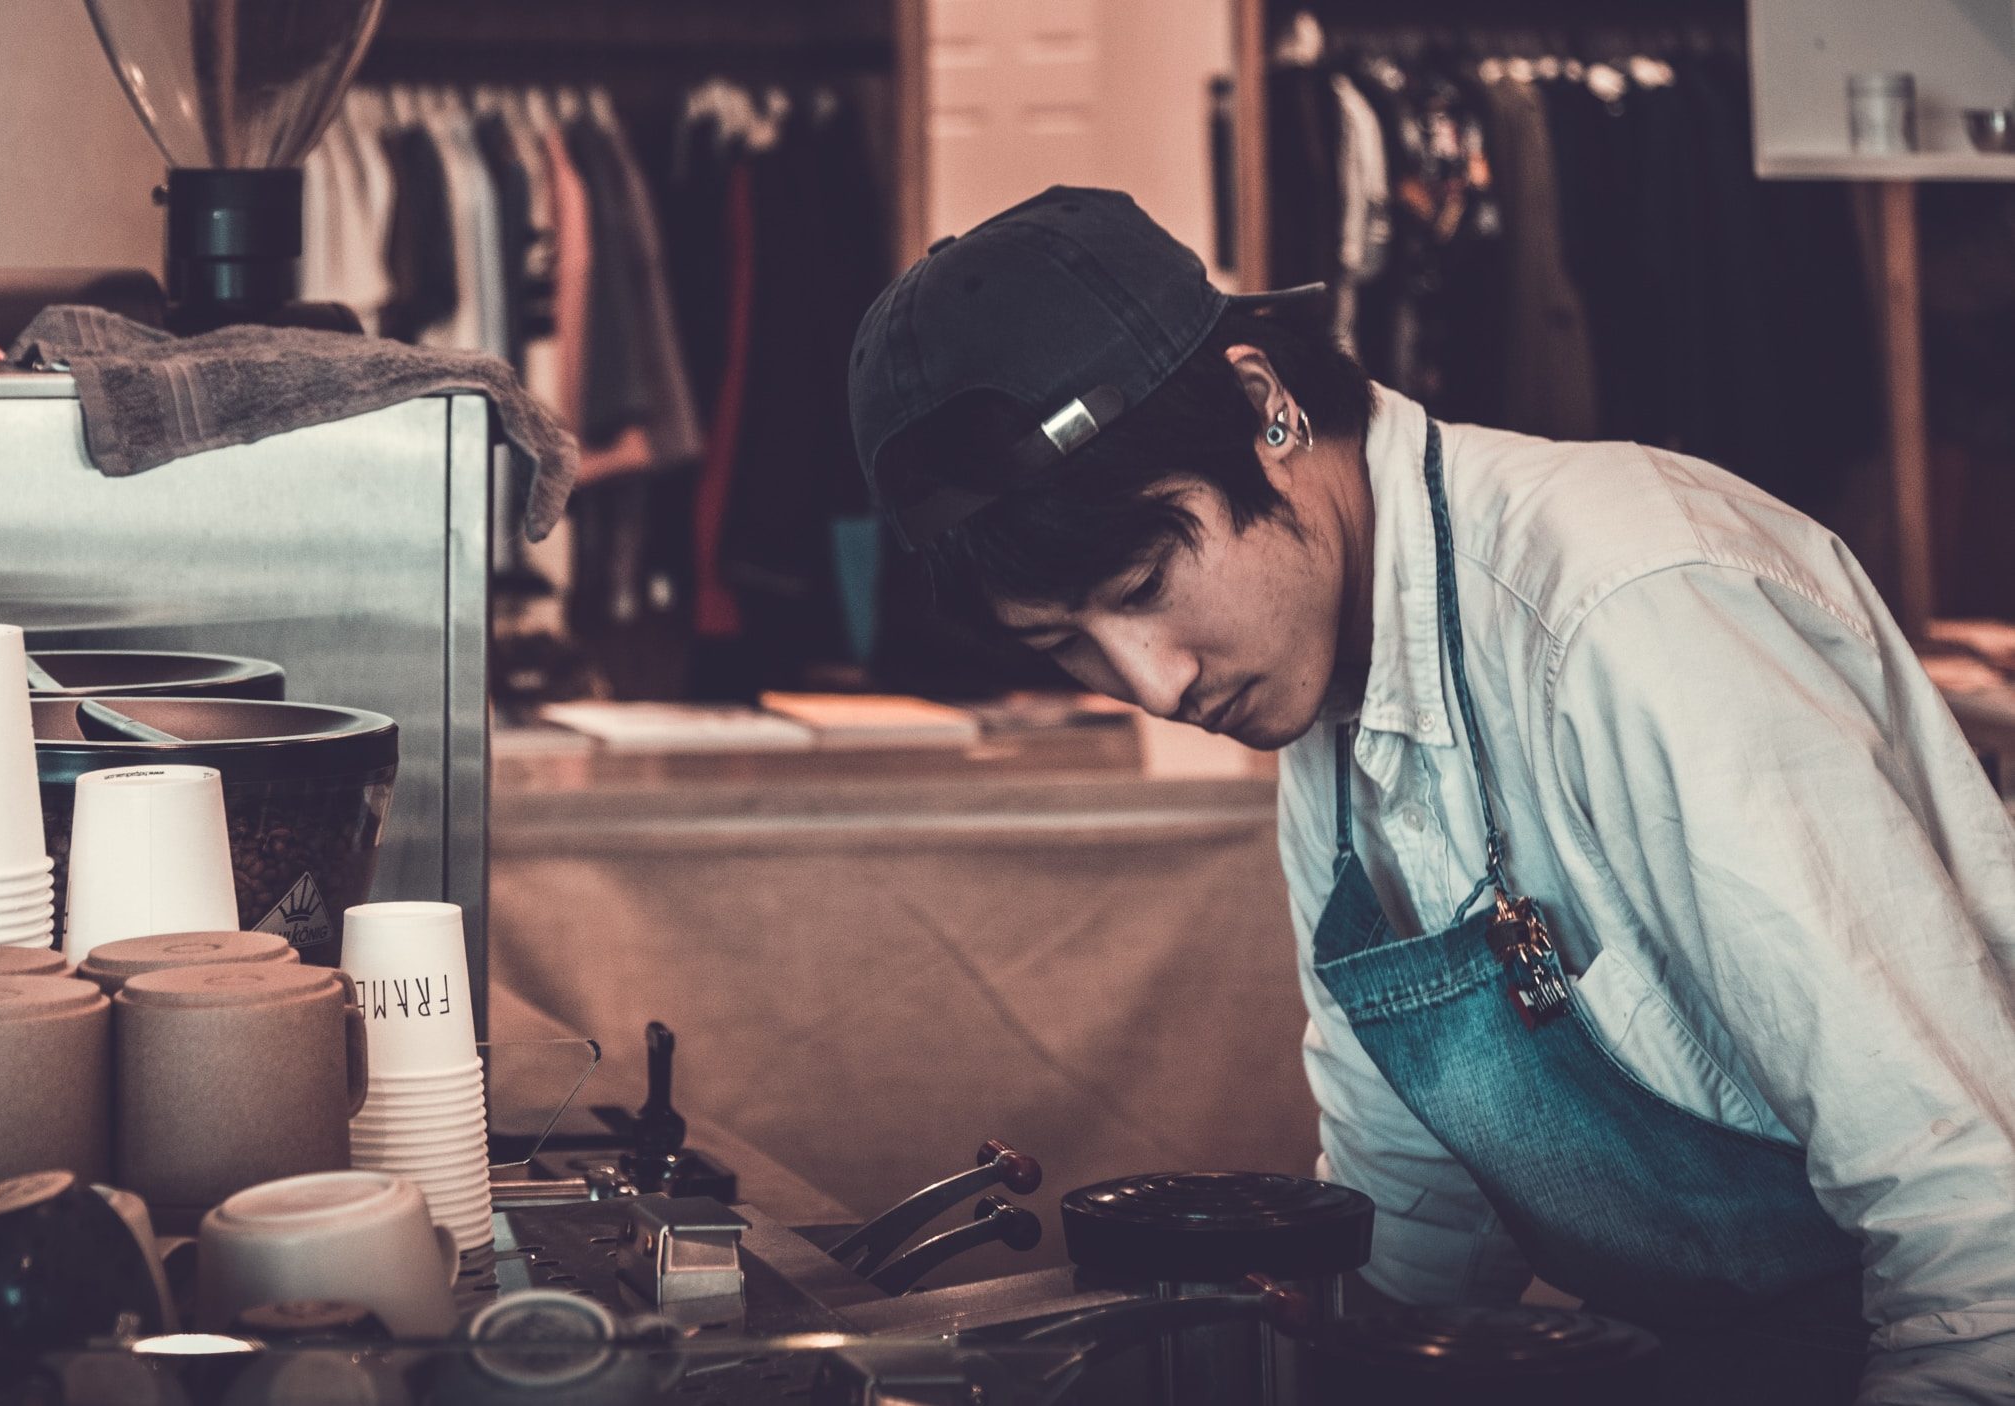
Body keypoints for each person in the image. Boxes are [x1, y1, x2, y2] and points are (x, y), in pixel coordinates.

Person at [847, 186, 2015, 1404]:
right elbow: (1415, 1211)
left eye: (1144, 580)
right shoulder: (1326, 692)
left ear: (1265, 407)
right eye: (1062, 644)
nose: (1153, 679)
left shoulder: (1627, 611)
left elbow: (1976, 1230)